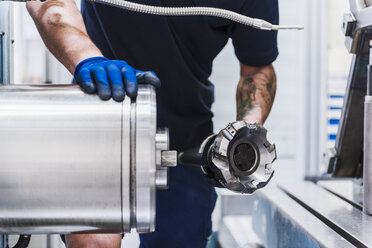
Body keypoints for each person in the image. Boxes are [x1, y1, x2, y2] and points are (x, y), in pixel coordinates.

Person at [26, 0, 278, 247]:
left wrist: (245, 134)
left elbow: (257, 69)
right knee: (94, 243)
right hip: (101, 125)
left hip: (184, 142)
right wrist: (87, 58)